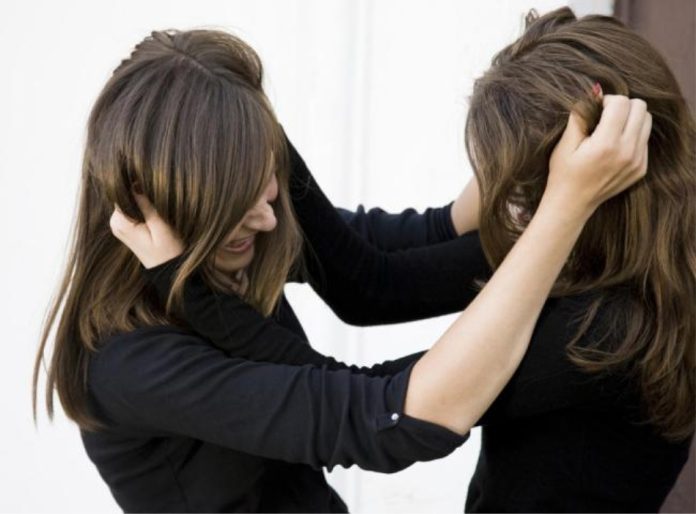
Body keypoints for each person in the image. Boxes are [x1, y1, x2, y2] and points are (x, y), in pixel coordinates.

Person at [32, 28, 649, 512]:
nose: (268, 220)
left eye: (269, 185)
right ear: (150, 203)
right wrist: (565, 207)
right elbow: (395, 418)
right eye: (239, 210)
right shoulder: (130, 365)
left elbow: (375, 276)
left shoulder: (233, 227)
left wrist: (532, 146)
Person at [458, 7, 695, 512]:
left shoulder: (603, 330)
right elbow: (374, 281)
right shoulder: (660, 269)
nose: (517, 203)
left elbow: (404, 405)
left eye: (527, 184)